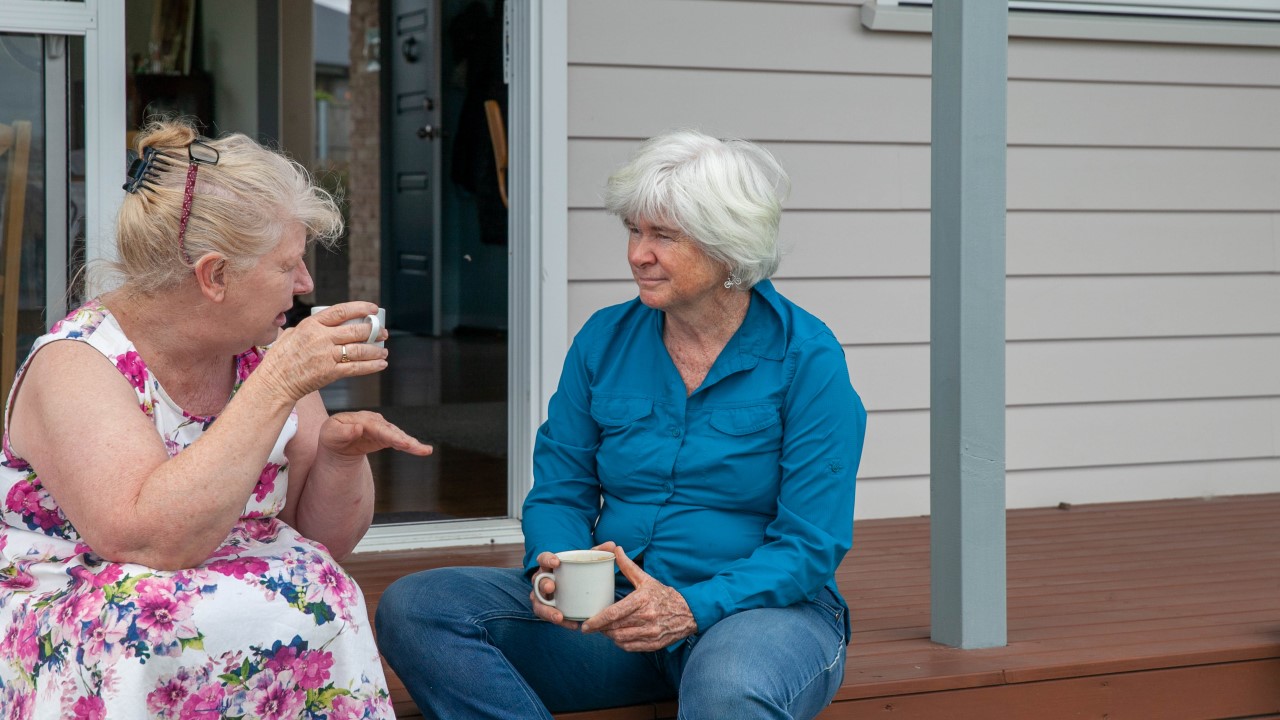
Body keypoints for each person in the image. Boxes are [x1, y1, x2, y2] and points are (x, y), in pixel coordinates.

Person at [377, 129, 867, 719]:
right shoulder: (603, 341)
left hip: (759, 617)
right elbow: (562, 490)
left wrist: (688, 606)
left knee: (729, 687)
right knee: (418, 606)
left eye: (663, 235)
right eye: (634, 230)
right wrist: (552, 566)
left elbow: (809, 546)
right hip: (617, 615)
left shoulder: (807, 359)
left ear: (728, 246)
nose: (638, 253)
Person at [0, 119, 432, 718]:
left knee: (323, 588)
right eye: (288, 266)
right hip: (89, 614)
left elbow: (325, 542)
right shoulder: (78, 363)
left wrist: (338, 455)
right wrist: (279, 382)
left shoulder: (259, 347)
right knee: (148, 621)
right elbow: (150, 540)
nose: (306, 284)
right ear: (214, 276)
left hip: (216, 601)